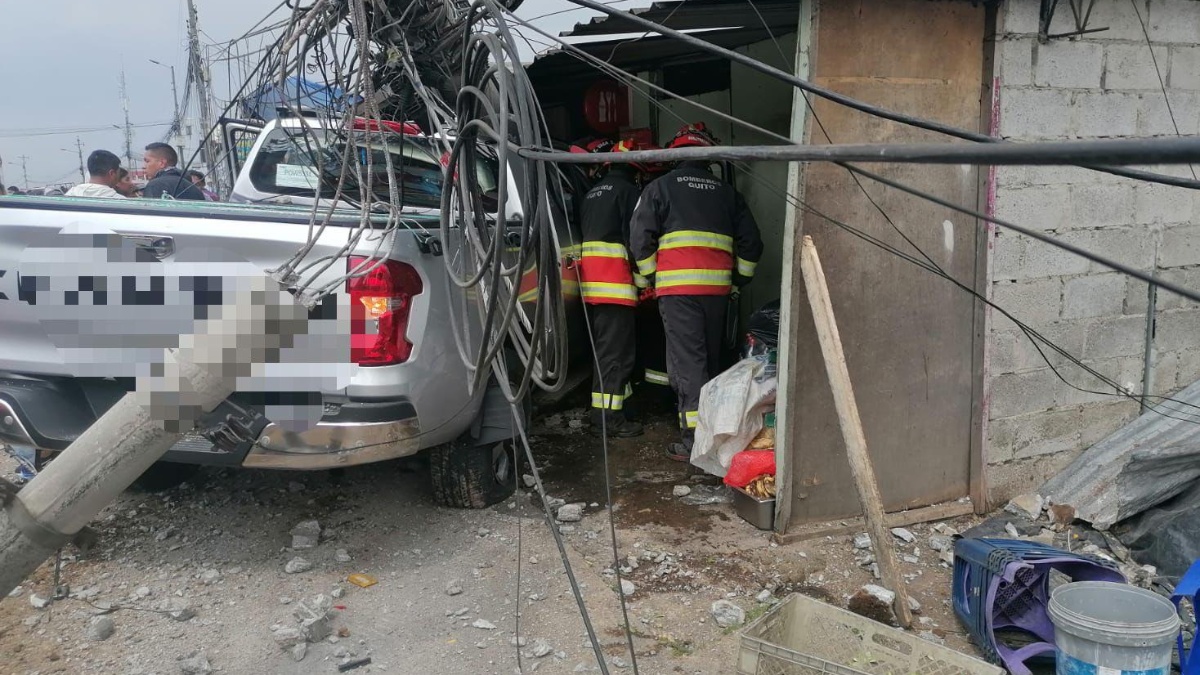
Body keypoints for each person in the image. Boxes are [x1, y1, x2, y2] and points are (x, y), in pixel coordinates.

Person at [630, 123, 764, 462]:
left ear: (675, 155)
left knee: (688, 363)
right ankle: (717, 429)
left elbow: (639, 238)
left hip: (678, 292)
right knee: (713, 359)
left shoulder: (659, 188)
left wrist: (649, 277)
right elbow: (752, 244)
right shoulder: (727, 193)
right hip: (716, 292)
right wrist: (738, 281)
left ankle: (696, 442)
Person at [577, 138, 645, 438]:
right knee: (616, 356)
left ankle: (620, 408)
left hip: (593, 287)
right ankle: (608, 420)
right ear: (634, 169)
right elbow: (637, 241)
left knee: (606, 353)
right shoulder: (630, 193)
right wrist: (645, 281)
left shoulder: (593, 193)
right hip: (616, 285)